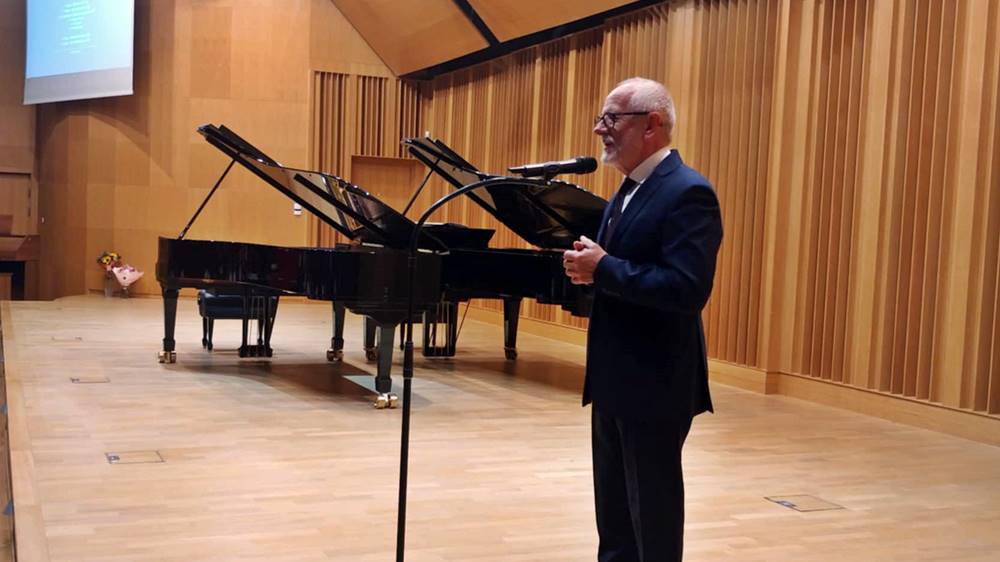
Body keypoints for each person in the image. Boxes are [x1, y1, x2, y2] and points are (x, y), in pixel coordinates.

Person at [562, 77, 723, 561]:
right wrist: (587, 271)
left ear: (651, 124)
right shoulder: (630, 189)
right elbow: (622, 269)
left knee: (652, 521)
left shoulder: (688, 192)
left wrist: (604, 268)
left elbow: (687, 289)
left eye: (611, 118)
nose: (600, 129)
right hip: (614, 379)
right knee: (614, 523)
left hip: (654, 384)